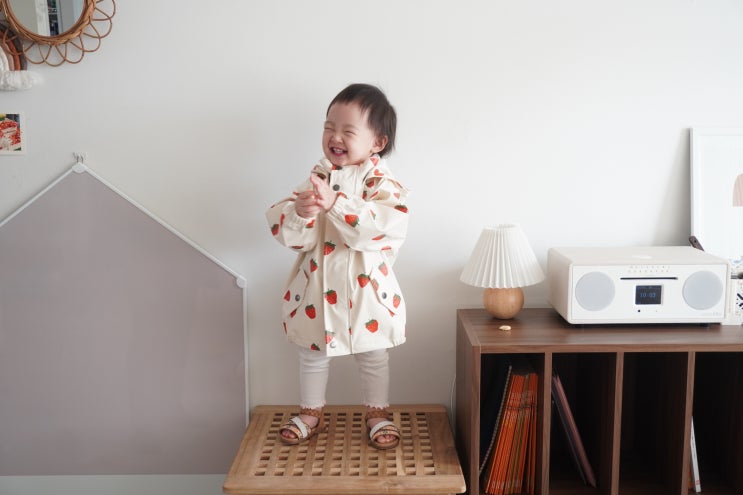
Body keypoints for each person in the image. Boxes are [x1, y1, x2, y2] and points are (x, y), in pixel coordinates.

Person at [266, 83, 409, 450]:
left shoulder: (382, 183)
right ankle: (311, 412)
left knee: (373, 353)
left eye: (348, 130)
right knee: (312, 352)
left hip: (366, 290)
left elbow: (383, 226)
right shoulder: (318, 177)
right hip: (317, 286)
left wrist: (337, 204)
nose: (335, 137)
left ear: (377, 142)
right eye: (329, 127)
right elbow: (292, 237)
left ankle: (377, 414)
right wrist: (300, 213)